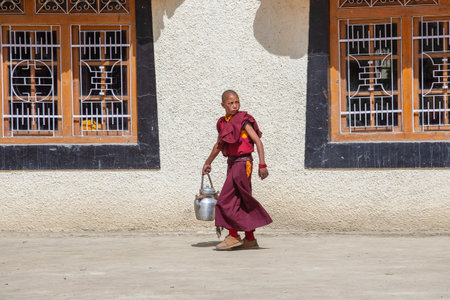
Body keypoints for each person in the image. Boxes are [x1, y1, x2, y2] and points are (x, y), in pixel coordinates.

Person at [202, 90, 273, 250]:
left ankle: (233, 235)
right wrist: (208, 162)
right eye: (230, 103)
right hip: (232, 163)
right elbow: (219, 146)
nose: (234, 106)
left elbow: (258, 142)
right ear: (223, 105)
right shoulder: (222, 123)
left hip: (243, 163)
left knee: (225, 200)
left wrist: (262, 164)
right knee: (241, 200)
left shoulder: (243, 121)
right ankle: (249, 238)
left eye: (237, 102)